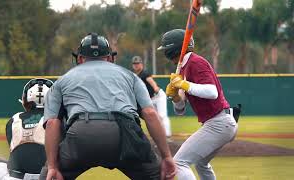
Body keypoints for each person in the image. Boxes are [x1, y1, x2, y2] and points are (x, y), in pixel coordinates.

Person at [39, 33, 176, 180]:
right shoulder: (131, 76)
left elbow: (53, 123)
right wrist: (166, 156)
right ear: (110, 58)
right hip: (124, 134)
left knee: (49, 176)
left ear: (79, 58)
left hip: (81, 135)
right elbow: (150, 113)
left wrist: (53, 166)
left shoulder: (62, 81)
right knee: (157, 176)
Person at [157, 29, 238, 180]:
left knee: (179, 163)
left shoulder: (196, 62)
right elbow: (180, 110)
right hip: (219, 123)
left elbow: (212, 92)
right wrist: (175, 97)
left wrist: (184, 84)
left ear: (172, 49)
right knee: (201, 163)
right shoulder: (184, 68)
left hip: (219, 122)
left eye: (165, 49)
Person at [0, 78, 54, 180]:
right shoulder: (57, 120)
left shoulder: (14, 120)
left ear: (26, 100)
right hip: (49, 177)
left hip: (15, 178)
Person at [132, 56, 172, 139]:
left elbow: (151, 81)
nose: (136, 65)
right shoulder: (135, 76)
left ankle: (167, 135)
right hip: (151, 99)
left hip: (158, 96)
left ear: (141, 64)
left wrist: (155, 88)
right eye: (134, 64)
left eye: (138, 63)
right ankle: (159, 134)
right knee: (154, 116)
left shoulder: (144, 73)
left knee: (162, 115)